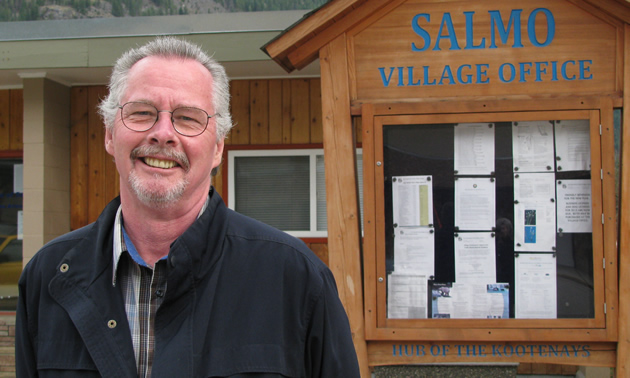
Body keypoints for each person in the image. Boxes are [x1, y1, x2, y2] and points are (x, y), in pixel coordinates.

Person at [15, 36, 360, 377]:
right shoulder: (47, 277)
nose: (163, 133)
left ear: (217, 148)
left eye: (188, 118)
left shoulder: (296, 280)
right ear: (109, 134)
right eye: (141, 113)